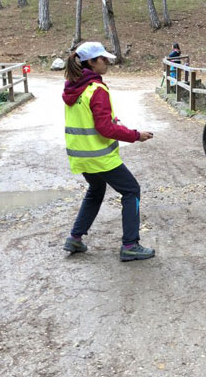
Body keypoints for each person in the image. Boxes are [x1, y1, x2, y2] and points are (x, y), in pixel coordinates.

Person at [62, 41, 156, 262]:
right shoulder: (96, 89)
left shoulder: (73, 86)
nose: (107, 62)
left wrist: (116, 123)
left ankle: (75, 238)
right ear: (91, 62)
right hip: (100, 156)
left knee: (96, 190)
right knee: (131, 190)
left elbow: (97, 120)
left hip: (81, 155)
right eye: (103, 59)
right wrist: (135, 135)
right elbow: (104, 128)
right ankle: (130, 245)